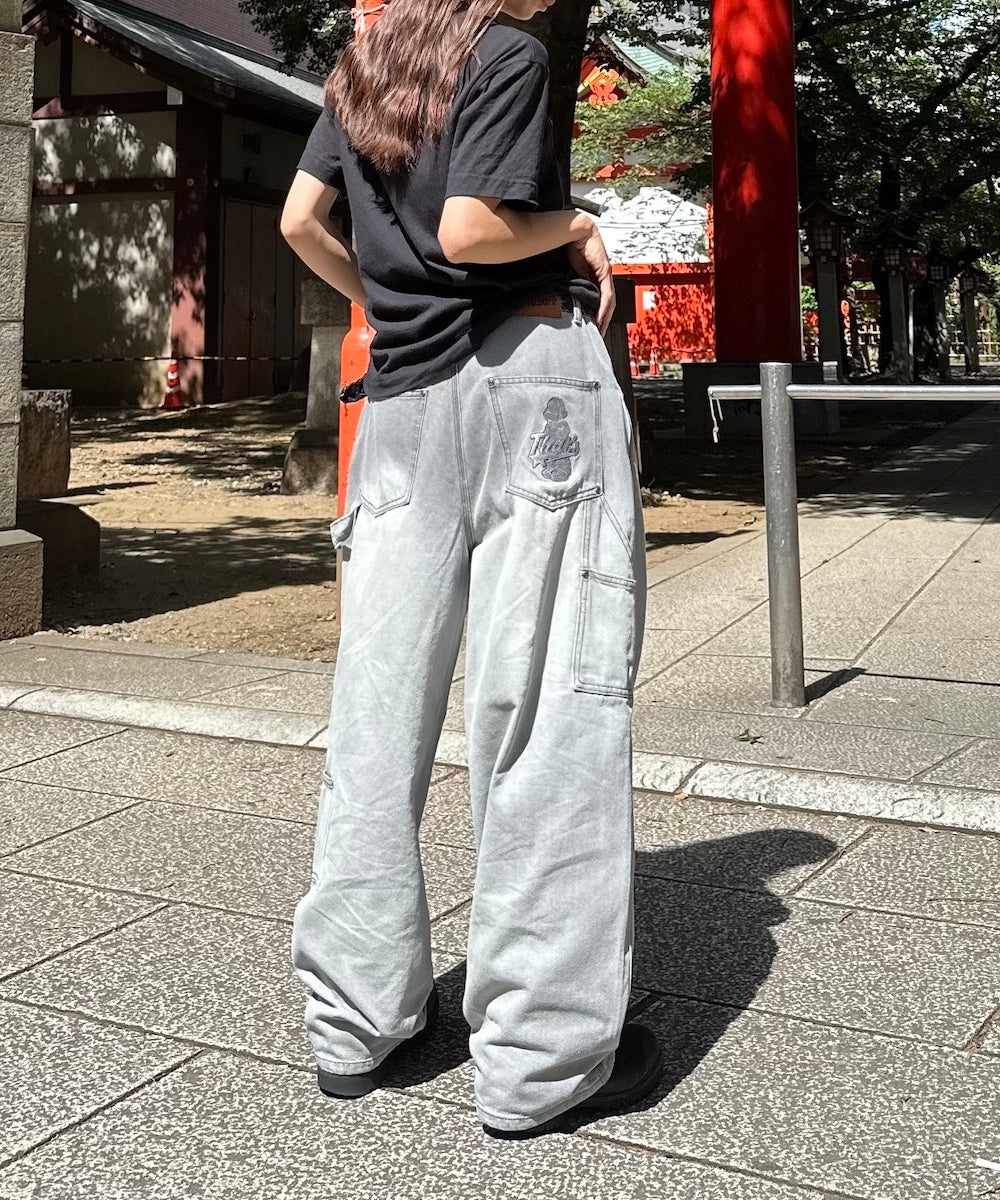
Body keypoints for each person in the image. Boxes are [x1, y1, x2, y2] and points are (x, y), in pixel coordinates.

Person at [280, 0, 662, 1139]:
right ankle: (541, 1062)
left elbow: (303, 219)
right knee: (544, 709)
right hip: (526, 383)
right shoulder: (506, 54)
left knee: (376, 711)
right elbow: (475, 232)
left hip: (401, 408)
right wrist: (576, 220)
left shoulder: (368, 58)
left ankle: (355, 1022)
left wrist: (389, 314)